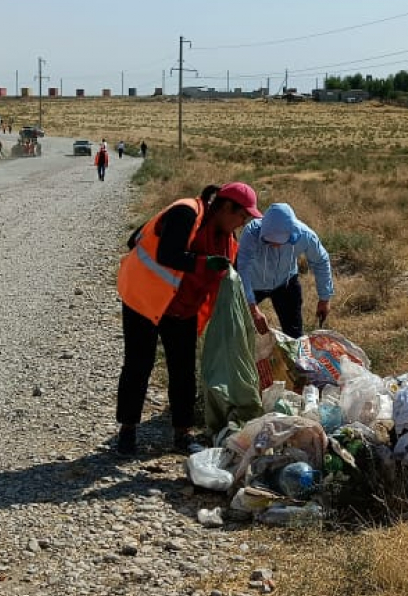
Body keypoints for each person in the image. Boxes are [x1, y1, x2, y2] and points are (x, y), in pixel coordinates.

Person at [115, 182, 260, 454]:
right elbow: (165, 253)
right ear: (227, 208)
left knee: (183, 370)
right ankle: (127, 431)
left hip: (182, 308)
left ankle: (182, 434)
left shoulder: (227, 240)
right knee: (139, 364)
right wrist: (203, 262)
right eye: (242, 216)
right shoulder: (186, 213)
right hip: (144, 299)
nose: (242, 223)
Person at [236, 201, 334, 339]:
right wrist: (253, 310)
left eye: (281, 241)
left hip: (285, 283)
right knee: (236, 329)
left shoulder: (304, 235)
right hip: (253, 284)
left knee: (294, 336)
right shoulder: (251, 233)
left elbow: (320, 261)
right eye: (270, 241)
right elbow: (243, 268)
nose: (275, 245)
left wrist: (324, 298)